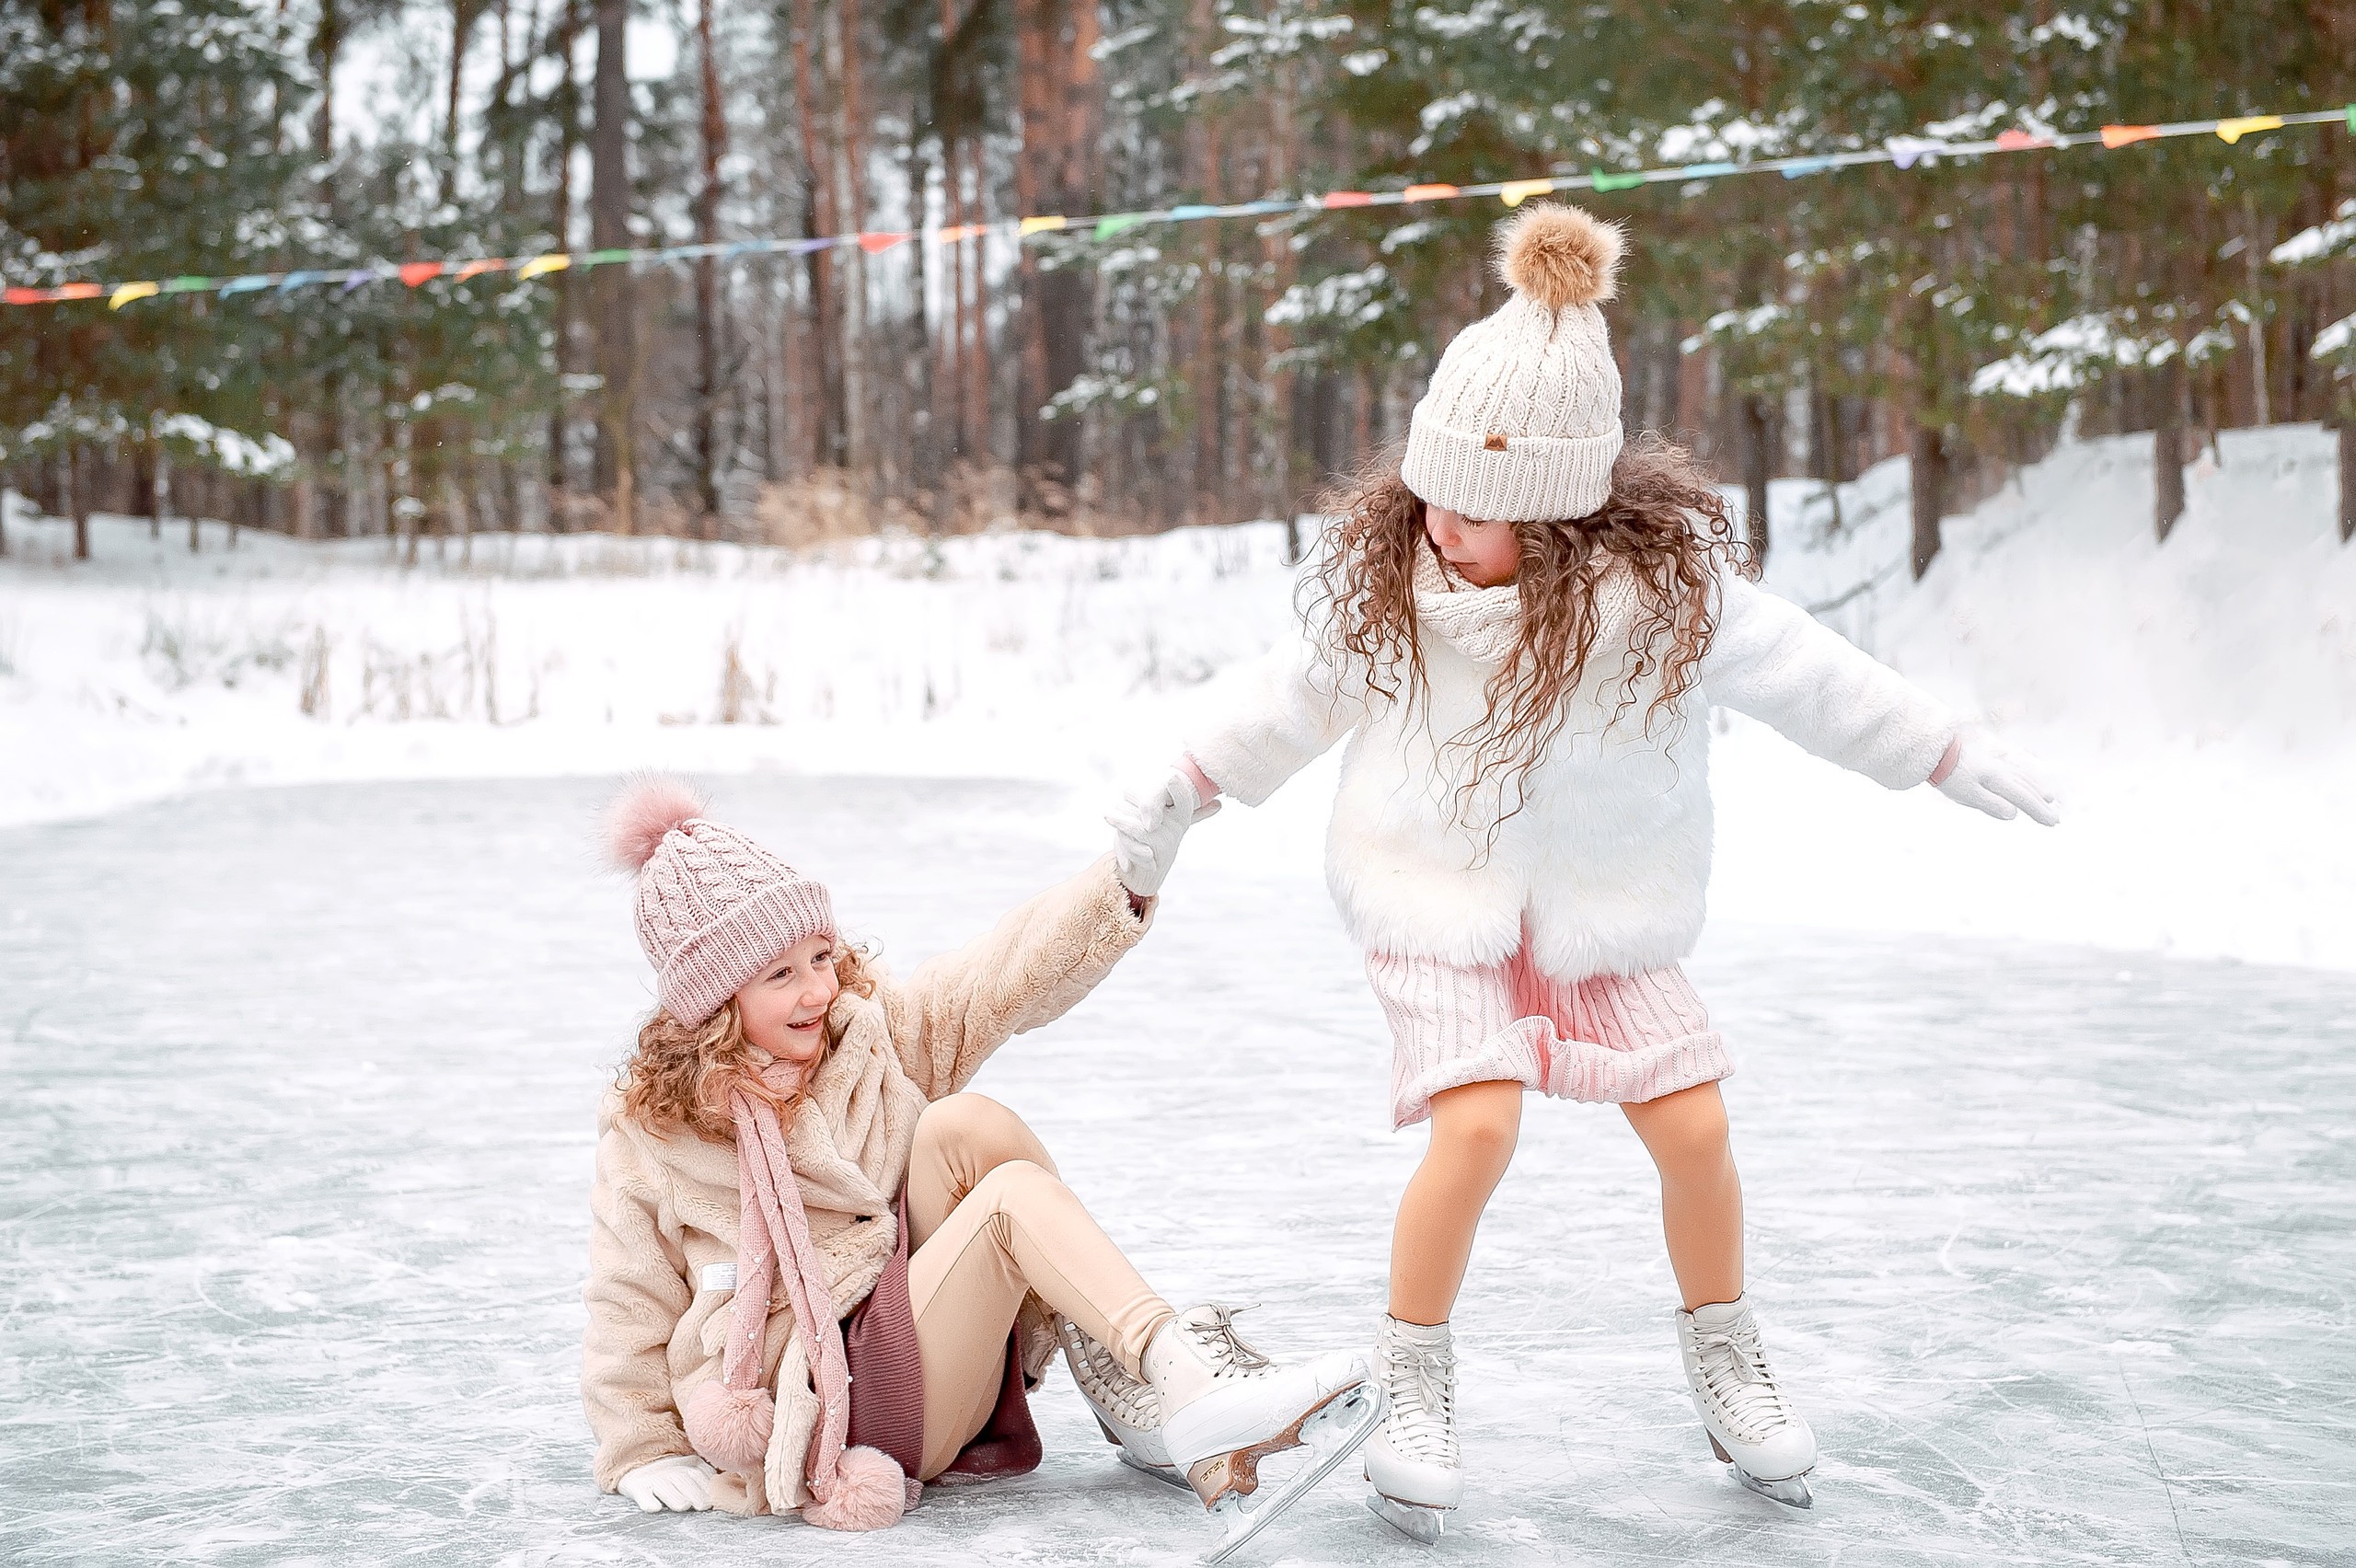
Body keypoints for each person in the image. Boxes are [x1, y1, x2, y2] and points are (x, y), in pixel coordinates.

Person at [1103, 202, 2058, 1535]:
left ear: (1556, 515)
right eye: (1432, 491)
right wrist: (1178, 792)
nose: (1442, 524)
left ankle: (1725, 1356)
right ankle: (1414, 1373)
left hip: (1606, 920)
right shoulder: (1396, 597)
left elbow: (1809, 676)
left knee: (1697, 1126)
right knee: (1478, 1124)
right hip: (1435, 907)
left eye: (1480, 511)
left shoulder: (1662, 601)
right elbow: (1280, 703)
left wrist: (1940, 748)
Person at [580, 778, 1379, 1554]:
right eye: (780, 974)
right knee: (1008, 1205)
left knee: (965, 1124)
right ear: (714, 1004)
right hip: (822, 1411)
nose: (819, 989)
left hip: (901, 1323)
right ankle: (1187, 1382)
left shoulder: (865, 1037)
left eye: (821, 956)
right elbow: (627, 1301)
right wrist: (641, 1448)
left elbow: (996, 979)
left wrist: (1120, 886)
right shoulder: (658, 1135)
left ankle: (1143, 1382)